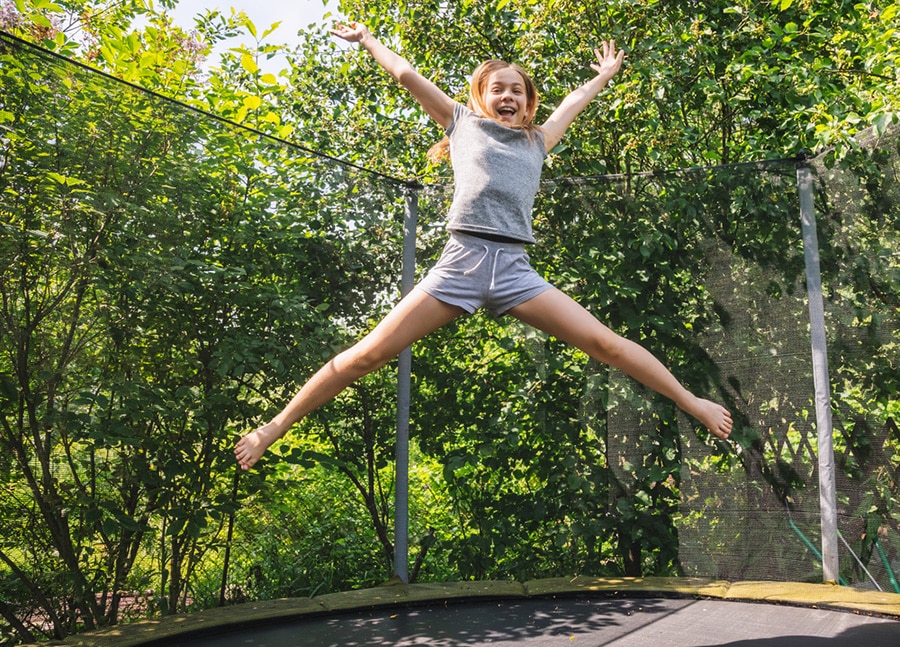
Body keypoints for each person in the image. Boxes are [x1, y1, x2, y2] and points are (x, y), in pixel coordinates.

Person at [234, 21, 732, 471]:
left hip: (515, 269)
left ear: (529, 102)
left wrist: (603, 76)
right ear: (480, 97)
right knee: (367, 354)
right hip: (462, 263)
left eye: (518, 90)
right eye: (498, 89)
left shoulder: (538, 141)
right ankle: (274, 426)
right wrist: (368, 42)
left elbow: (574, 102)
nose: (508, 95)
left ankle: (694, 403)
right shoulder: (461, 124)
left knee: (605, 344)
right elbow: (406, 74)